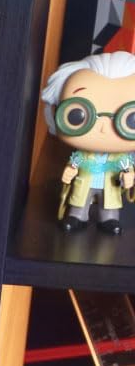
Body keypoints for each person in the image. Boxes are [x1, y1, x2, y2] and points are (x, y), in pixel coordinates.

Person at [40, 50, 135, 234]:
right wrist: (70, 171)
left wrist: (129, 177)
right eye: (77, 115)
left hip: (110, 185)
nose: (103, 127)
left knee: (109, 205)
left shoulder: (123, 159)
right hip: (85, 181)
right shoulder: (80, 156)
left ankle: (109, 219)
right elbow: (74, 164)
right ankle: (77, 216)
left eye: (130, 119)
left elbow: (128, 170)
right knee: (79, 201)